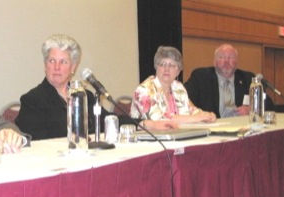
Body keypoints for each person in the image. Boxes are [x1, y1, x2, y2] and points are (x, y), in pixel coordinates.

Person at [15, 34, 176, 141]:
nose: (57, 67)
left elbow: (109, 121)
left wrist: (147, 124)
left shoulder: (86, 96)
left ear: (73, 67)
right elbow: (38, 142)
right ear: (45, 65)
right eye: (52, 61)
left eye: (63, 62)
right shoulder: (32, 100)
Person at [131, 46, 216, 125]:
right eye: (163, 64)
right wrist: (197, 118)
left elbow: (192, 110)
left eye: (172, 65)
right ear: (156, 67)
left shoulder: (178, 87)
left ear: (178, 71)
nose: (167, 69)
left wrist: (207, 115)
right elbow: (160, 120)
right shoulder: (144, 90)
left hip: (176, 136)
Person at [184, 43, 274, 118]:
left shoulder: (247, 78)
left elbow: (268, 103)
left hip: (241, 127)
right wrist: (199, 114)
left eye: (231, 57)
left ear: (237, 62)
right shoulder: (201, 77)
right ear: (214, 62)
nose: (226, 61)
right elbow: (184, 99)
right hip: (213, 127)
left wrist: (251, 108)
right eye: (221, 57)